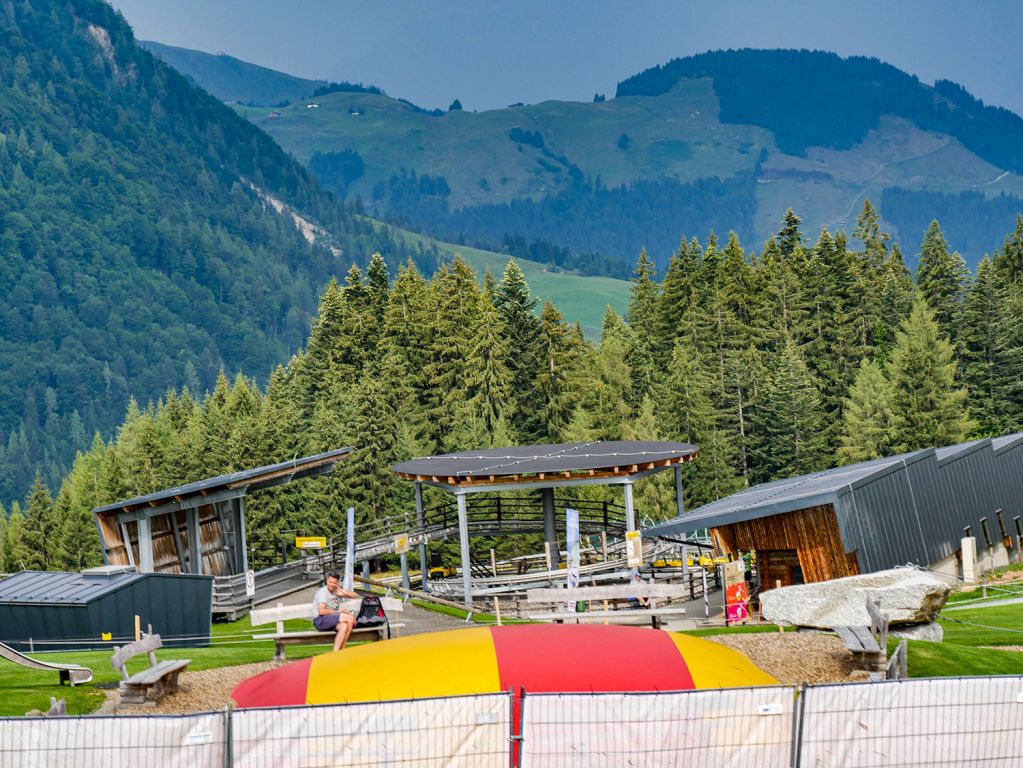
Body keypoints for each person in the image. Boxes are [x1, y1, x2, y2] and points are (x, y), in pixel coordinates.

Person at [311, 571, 359, 651]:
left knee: (345, 625)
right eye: (330, 582)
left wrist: (344, 594)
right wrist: (339, 613)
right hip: (320, 620)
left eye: (334, 583)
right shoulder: (323, 592)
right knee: (350, 618)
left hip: (331, 619)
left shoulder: (336, 591)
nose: (332, 585)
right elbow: (321, 612)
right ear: (327, 581)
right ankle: (342, 651)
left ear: (337, 583)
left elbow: (355, 596)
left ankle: (337, 652)